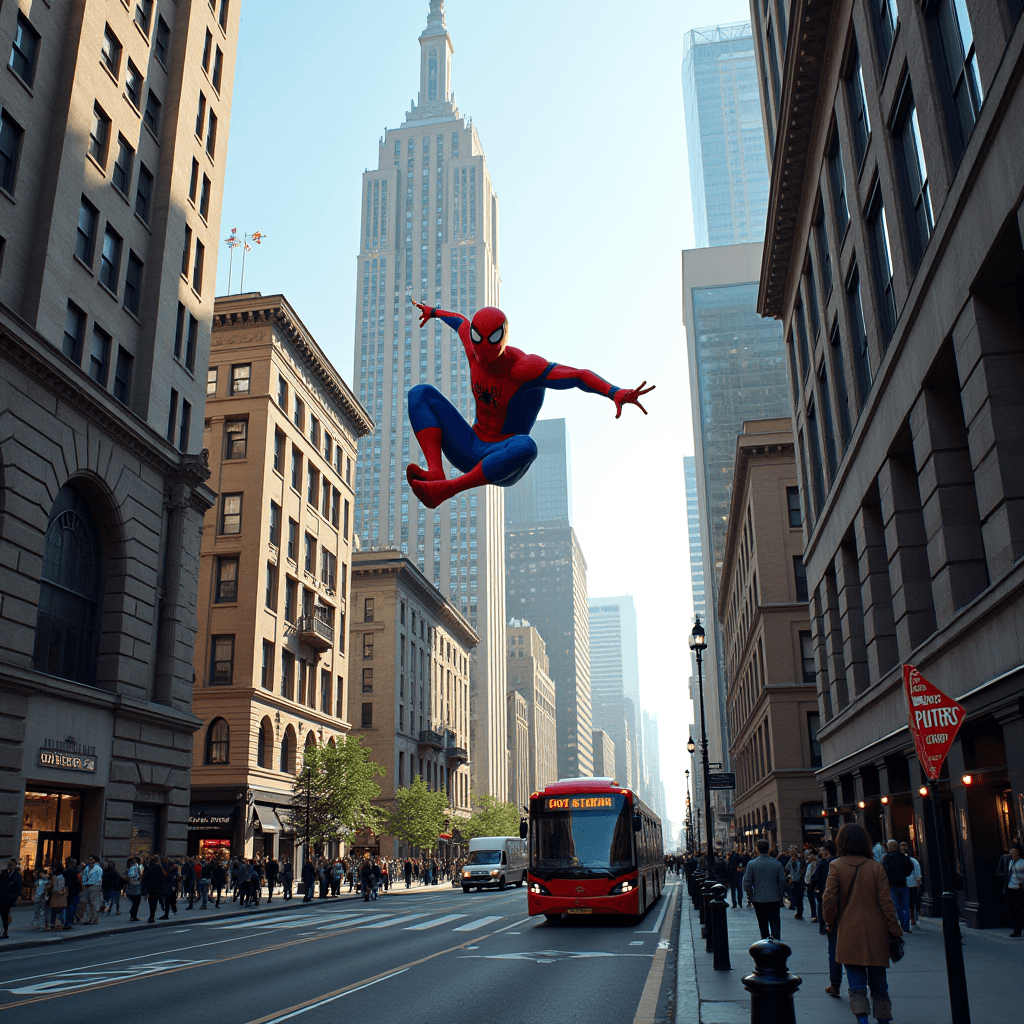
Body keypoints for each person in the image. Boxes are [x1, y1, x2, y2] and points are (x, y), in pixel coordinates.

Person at [404, 300, 653, 509]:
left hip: (503, 457)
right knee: (420, 394)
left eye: (489, 358)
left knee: (528, 446)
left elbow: (578, 376)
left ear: (501, 342)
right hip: (468, 445)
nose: (484, 364)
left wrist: (614, 392)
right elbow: (459, 321)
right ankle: (436, 472)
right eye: (480, 357)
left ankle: (448, 489)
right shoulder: (473, 351)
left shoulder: (525, 369)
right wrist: (434, 312)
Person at [822, 822, 902, 1024]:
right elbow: (887, 904)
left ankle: (863, 1020)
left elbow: (829, 899)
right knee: (879, 983)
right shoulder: (876, 867)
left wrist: (829, 922)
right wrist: (895, 930)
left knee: (856, 982)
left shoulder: (836, 866)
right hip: (877, 931)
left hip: (849, 930)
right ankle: (883, 1019)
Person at [742, 839, 788, 940]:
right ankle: (776, 944)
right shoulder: (776, 864)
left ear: (757, 849)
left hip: (759, 899)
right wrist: (780, 893)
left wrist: (750, 894)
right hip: (774, 899)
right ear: (768, 849)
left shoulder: (752, 864)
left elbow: (747, 882)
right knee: (775, 923)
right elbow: (782, 881)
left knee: (762, 925)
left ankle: (765, 945)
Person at [880, 840, 913, 933]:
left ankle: (902, 925)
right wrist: (904, 875)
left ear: (889, 847)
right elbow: (909, 868)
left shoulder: (885, 858)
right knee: (906, 907)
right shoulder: (903, 856)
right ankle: (906, 927)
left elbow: (883, 872)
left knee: (897, 906)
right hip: (903, 883)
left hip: (891, 885)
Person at [999, 841, 1024, 937]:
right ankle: (1017, 930)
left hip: (1019, 889)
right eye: (1012, 852)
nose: (1012, 854)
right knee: (1013, 910)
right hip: (1010, 888)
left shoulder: (1022, 863)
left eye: (1015, 852)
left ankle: (1017, 930)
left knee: (1019, 911)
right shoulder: (1010, 862)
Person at [899, 842, 921, 928]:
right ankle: (911, 918)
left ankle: (912, 918)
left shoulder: (911, 859)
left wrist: (918, 878)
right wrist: (918, 878)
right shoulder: (911, 859)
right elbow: (917, 867)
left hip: (910, 883)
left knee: (911, 902)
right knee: (910, 902)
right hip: (908, 883)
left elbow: (917, 867)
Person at [0, 858, 22, 939]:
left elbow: (19, 885)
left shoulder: (16, 874)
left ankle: (5, 930)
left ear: (15, 865)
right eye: (8, 865)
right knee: (3, 914)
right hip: (3, 896)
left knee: (5, 913)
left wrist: (18, 896)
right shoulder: (5, 873)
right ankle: (5, 929)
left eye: (11, 865)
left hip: (10, 896)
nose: (9, 866)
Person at [143, 855, 166, 923]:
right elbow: (162, 877)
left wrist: (146, 885)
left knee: (151, 903)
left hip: (150, 888)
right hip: (157, 888)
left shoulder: (148, 867)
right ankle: (152, 916)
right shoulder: (159, 867)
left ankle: (151, 916)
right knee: (155, 902)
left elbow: (145, 877)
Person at [63, 858, 83, 930]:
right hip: (73, 892)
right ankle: (68, 922)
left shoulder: (66, 871)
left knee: (69, 907)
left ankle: (67, 922)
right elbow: (76, 882)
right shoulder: (73, 871)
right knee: (71, 907)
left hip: (70, 891)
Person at [33, 866, 52, 930]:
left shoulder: (41, 880)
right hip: (41, 896)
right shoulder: (43, 879)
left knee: (40, 911)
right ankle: (41, 924)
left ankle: (39, 924)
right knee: (41, 911)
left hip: (40, 896)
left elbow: (37, 888)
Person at [125, 857, 143, 921]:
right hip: (136, 885)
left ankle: (133, 914)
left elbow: (128, 876)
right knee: (137, 901)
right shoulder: (137, 867)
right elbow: (138, 876)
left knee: (134, 900)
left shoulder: (129, 867)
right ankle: (133, 914)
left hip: (131, 885)